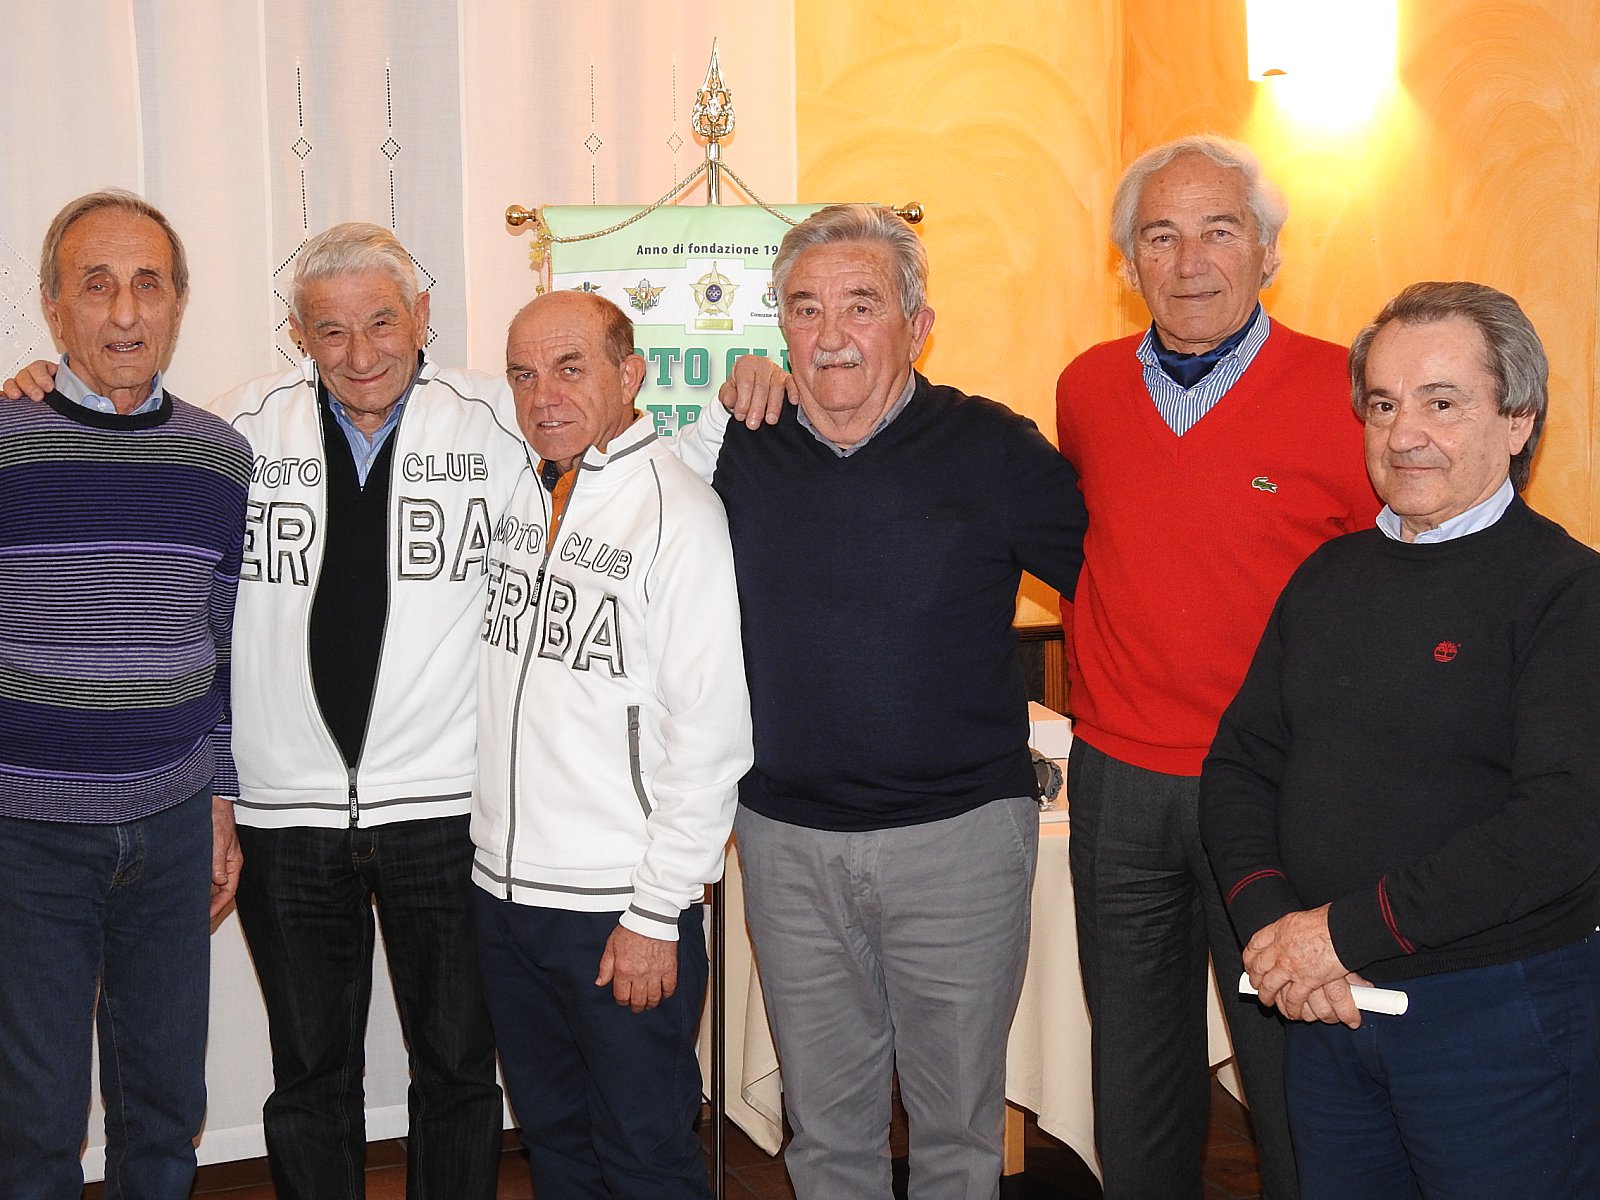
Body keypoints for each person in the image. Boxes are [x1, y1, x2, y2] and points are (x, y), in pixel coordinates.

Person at [693, 203, 1088, 1200]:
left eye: (861, 305)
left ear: (918, 326)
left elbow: (1116, 584)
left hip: (959, 844)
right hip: (786, 844)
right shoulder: (738, 446)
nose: (830, 334)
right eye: (805, 308)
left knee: (958, 1131)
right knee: (826, 1136)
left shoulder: (991, 448)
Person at [1200, 280, 1600, 1198]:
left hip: (1497, 1023)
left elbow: (1562, 824)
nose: (1404, 432)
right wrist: (1278, 932)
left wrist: (1338, 935)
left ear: (1518, 421)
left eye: (1441, 403)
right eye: (1382, 404)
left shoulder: (1568, 592)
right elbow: (1240, 765)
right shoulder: (1328, 573)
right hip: (1327, 1013)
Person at [1054, 135, 1379, 1199]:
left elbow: (1395, 581)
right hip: (1117, 779)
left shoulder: (1348, 393)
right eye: (1160, 235)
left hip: (1279, 785)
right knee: (1134, 1073)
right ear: (1128, 263)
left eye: (1219, 230)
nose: (1189, 260)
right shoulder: (1086, 388)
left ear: (1269, 252)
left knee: (1293, 1070)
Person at [472, 289, 752, 1198]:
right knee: (555, 1144)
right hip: (505, 897)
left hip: (616, 907)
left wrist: (657, 910)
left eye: (569, 368)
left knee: (645, 1157)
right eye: (523, 375)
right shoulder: (523, 485)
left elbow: (712, 732)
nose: (543, 396)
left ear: (630, 375)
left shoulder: (679, 511)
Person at [0, 190, 250, 1197]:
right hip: (28, 836)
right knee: (35, 1120)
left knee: (164, 1110)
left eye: (149, 285)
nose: (125, 313)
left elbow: (224, 647)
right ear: (53, 306)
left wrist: (222, 799)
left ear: (179, 302)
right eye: (95, 285)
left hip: (173, 826)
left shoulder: (219, 456)